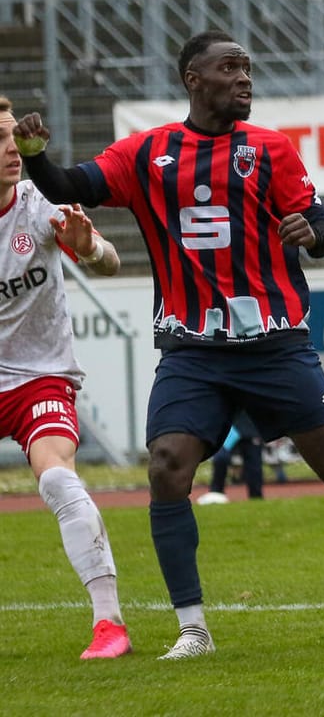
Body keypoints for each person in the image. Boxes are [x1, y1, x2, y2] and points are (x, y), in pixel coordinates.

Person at [15, 30, 324, 659]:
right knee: (166, 466)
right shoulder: (149, 153)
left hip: (275, 344)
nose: (244, 78)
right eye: (230, 68)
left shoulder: (271, 149)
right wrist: (32, 156)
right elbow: (64, 185)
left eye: (248, 68)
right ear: (194, 78)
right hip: (191, 349)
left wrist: (311, 233)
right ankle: (194, 630)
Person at [0, 97, 130, 660]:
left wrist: (89, 247)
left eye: (11, 137)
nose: (10, 150)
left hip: (38, 376)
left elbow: (109, 260)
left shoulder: (39, 204)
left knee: (56, 480)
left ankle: (110, 626)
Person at [196, 415, 265, 504]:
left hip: (251, 428)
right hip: (230, 429)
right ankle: (216, 493)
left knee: (254, 466)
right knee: (220, 458)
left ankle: (256, 498)